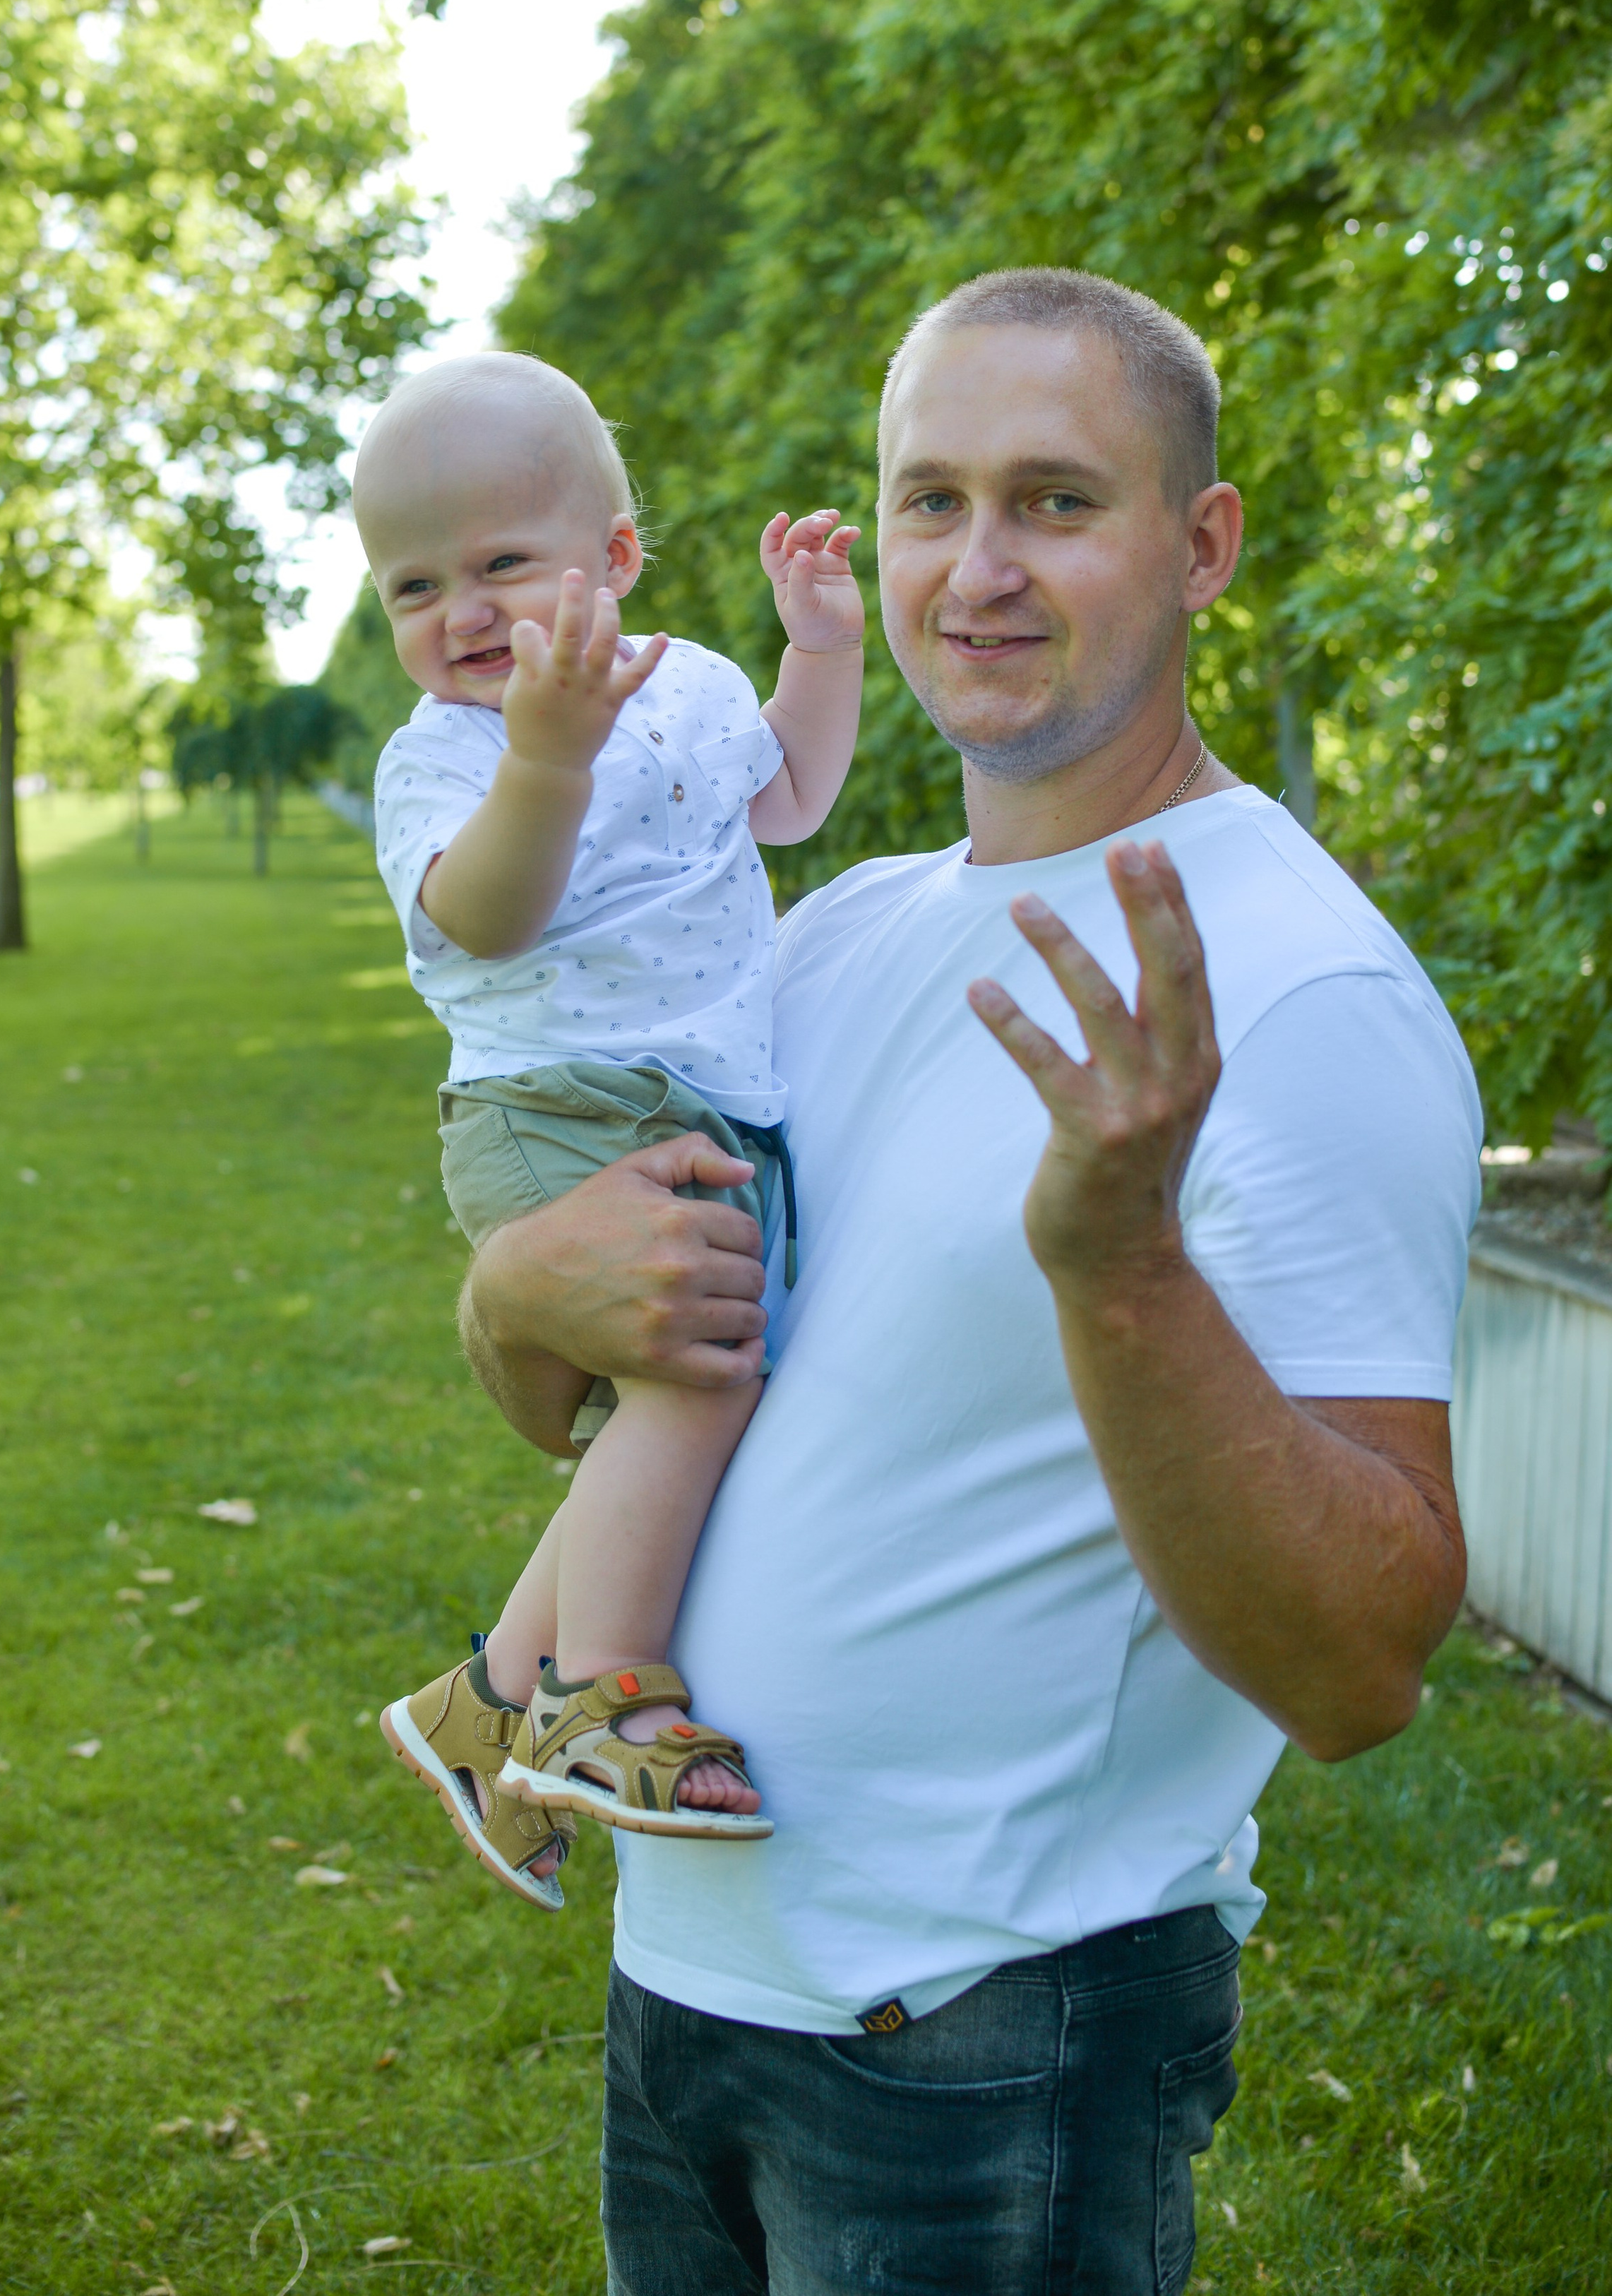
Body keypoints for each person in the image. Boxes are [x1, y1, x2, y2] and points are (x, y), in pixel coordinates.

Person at [453, 270, 1479, 2294]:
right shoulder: (831, 935)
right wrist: (511, 1304)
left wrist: (1120, 1274)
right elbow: (623, 1397)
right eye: (930, 502)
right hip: (691, 1988)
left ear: (1202, 546)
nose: (977, 569)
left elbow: (1360, 1667)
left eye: (1054, 502)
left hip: (987, 2032)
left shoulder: (1301, 987)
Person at [350, 352, 864, 1910]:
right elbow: (489, 916)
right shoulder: (443, 755)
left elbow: (784, 803)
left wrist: (819, 653)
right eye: (414, 585)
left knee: (683, 1388)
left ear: (616, 560)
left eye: (502, 561)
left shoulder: (696, 684)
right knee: (698, 1378)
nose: (463, 612)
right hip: (552, 1108)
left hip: (691, 1102)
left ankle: (486, 1697)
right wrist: (545, 755)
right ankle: (604, 1696)